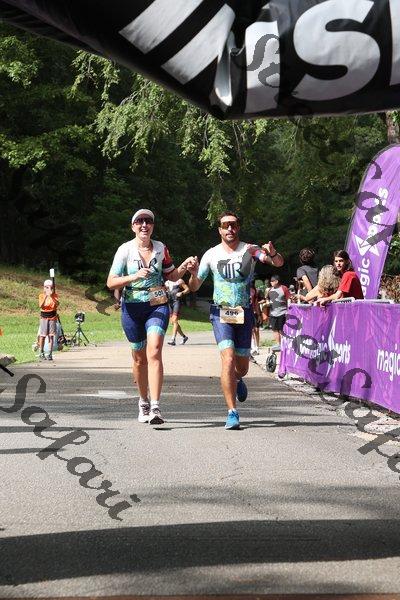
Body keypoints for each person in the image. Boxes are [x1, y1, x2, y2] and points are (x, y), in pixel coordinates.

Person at [187, 211, 284, 430]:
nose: (229, 228)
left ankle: (238, 379)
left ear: (238, 227)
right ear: (219, 229)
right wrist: (193, 274)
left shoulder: (250, 249)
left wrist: (272, 252)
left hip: (244, 312)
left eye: (233, 224)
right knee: (228, 359)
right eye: (225, 225)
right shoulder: (211, 254)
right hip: (220, 312)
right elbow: (194, 286)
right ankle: (232, 412)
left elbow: (277, 262)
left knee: (242, 367)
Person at [107, 209, 195, 425]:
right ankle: (143, 401)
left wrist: (185, 266)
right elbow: (111, 282)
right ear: (133, 226)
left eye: (148, 221)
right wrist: (133, 276)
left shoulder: (160, 248)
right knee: (139, 358)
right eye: (140, 221)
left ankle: (155, 406)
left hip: (157, 304)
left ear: (153, 226)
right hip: (132, 308)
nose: (144, 225)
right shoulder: (125, 250)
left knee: (154, 350)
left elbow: (171, 275)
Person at [38, 279, 59, 361]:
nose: (48, 289)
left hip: (52, 317)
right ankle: (41, 352)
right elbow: (41, 306)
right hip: (44, 317)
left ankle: (50, 353)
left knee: (51, 335)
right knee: (42, 335)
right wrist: (46, 296)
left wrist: (51, 296)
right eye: (46, 287)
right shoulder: (41, 296)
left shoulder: (55, 295)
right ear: (44, 288)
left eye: (50, 287)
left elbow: (57, 304)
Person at [267, 274, 291, 346]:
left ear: (276, 281)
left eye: (272, 281)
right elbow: (267, 298)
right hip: (272, 313)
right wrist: (267, 302)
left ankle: (285, 344)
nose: (270, 282)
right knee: (274, 329)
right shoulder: (270, 290)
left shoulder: (284, 288)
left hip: (282, 313)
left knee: (282, 330)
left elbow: (288, 299)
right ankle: (278, 345)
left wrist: (288, 310)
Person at [165, 278, 190, 345]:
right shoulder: (167, 282)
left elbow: (187, 289)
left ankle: (173, 339)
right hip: (170, 303)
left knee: (175, 320)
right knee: (172, 322)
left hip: (177, 302)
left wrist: (181, 292)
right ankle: (184, 337)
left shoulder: (179, 281)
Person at [250, 280, 262, 356]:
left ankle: (257, 347)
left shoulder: (255, 291)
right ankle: (252, 347)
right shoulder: (243, 290)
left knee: (256, 330)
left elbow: (256, 303)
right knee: (250, 330)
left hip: (254, 312)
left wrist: (259, 315)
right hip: (247, 312)